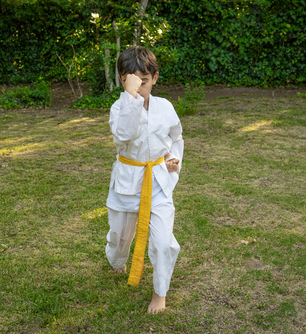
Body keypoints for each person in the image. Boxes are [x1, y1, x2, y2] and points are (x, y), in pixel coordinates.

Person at [105, 46, 184, 314]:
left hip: (158, 181)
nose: (139, 89)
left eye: (145, 82)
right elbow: (124, 135)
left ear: (156, 78)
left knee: (163, 242)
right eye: (132, 83)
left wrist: (173, 157)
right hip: (127, 184)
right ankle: (117, 259)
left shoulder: (166, 108)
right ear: (123, 81)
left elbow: (175, 137)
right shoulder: (119, 108)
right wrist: (132, 99)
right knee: (119, 235)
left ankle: (159, 293)